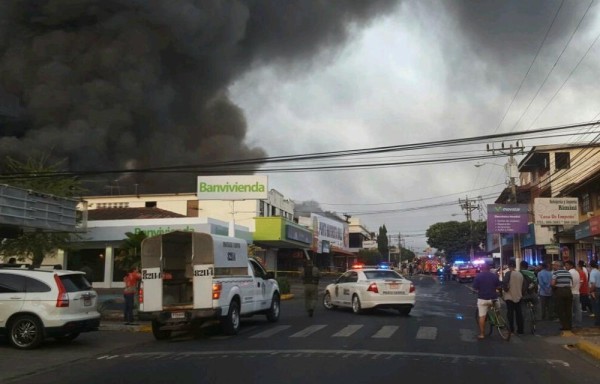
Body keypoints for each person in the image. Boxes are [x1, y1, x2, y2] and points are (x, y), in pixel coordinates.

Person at [472, 262, 502, 340]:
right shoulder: (494, 276)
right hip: (493, 298)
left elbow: (474, 288)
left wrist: (475, 291)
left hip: (482, 299)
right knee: (497, 309)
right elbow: (498, 286)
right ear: (489, 269)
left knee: (482, 316)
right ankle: (497, 320)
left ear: (481, 269)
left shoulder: (478, 276)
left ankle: (482, 334)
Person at [503, 261, 524, 334]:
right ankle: (520, 330)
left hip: (510, 296)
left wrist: (505, 289)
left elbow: (505, 284)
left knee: (510, 313)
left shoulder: (508, 273)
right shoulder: (520, 274)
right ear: (515, 266)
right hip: (518, 296)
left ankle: (511, 329)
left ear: (509, 266)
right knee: (519, 314)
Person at [551, 260, 573, 331]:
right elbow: (571, 282)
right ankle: (569, 325)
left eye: (554, 265)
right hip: (568, 291)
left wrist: (554, 287)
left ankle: (564, 325)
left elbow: (553, 283)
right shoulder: (568, 272)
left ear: (558, 266)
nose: (553, 266)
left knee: (560, 310)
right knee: (568, 309)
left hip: (560, 292)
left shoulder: (556, 273)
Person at [564, 260, 582, 327]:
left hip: (571, 292)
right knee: (577, 309)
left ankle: (570, 323)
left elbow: (569, 284)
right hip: (577, 292)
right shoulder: (577, 272)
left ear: (571, 266)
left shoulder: (569, 273)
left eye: (567, 265)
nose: (565, 266)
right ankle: (578, 322)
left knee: (569, 309)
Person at [589, 260, 600, 325]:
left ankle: (598, 322)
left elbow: (593, 284)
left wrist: (590, 291)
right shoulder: (598, 271)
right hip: (599, 289)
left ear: (590, 265)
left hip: (595, 290)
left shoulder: (592, 272)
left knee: (596, 306)